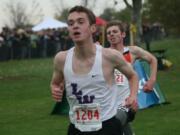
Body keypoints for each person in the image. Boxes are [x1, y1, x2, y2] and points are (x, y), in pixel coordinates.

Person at [50, 6, 139, 135]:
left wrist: (132, 96)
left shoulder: (109, 56)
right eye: (71, 23)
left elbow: (132, 75)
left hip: (107, 126)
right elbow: (55, 83)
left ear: (92, 28)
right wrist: (55, 89)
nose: (75, 26)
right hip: (76, 127)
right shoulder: (61, 59)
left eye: (80, 22)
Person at [106, 20, 158, 135]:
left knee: (113, 126)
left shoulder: (132, 51)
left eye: (115, 31)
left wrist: (152, 80)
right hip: (108, 103)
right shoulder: (103, 54)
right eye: (109, 33)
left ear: (123, 34)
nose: (111, 34)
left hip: (127, 102)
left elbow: (152, 59)